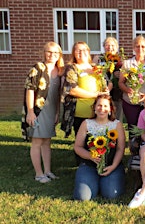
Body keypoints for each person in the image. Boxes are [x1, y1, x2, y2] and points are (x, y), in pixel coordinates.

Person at [21, 42, 64, 183]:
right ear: (44, 52)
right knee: (37, 141)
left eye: (55, 53)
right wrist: (30, 111)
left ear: (59, 55)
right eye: (49, 52)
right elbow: (30, 90)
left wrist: (57, 112)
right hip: (38, 111)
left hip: (51, 110)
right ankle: (38, 174)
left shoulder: (59, 71)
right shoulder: (38, 68)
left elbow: (57, 94)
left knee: (47, 141)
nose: (52, 55)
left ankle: (47, 171)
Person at [73, 95, 126, 200]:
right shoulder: (86, 124)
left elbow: (120, 148)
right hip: (89, 164)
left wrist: (114, 166)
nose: (102, 109)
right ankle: (91, 182)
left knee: (111, 194)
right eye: (99, 106)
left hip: (111, 165)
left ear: (110, 109)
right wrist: (90, 156)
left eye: (105, 106)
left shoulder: (116, 125)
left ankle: (107, 181)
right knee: (83, 197)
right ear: (94, 108)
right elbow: (77, 147)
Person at [62, 42, 110, 137]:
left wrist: (106, 90)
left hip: (98, 111)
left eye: (84, 50)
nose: (81, 52)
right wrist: (95, 95)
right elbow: (72, 90)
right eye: (78, 50)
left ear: (88, 52)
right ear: (74, 53)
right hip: (81, 112)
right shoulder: (72, 68)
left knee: (99, 139)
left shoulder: (96, 67)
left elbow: (108, 83)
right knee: (83, 140)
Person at [119, 35, 145, 138]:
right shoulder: (127, 64)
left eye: (143, 46)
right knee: (132, 127)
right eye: (137, 46)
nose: (140, 49)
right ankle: (133, 149)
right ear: (133, 48)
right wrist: (128, 90)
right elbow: (121, 83)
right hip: (130, 102)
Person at [93, 37, 124, 122]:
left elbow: (126, 76)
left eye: (112, 45)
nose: (110, 47)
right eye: (107, 45)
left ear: (117, 47)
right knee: (102, 116)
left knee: (117, 117)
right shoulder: (98, 58)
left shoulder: (121, 60)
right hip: (102, 91)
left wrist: (120, 74)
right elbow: (92, 72)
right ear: (104, 46)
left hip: (117, 93)